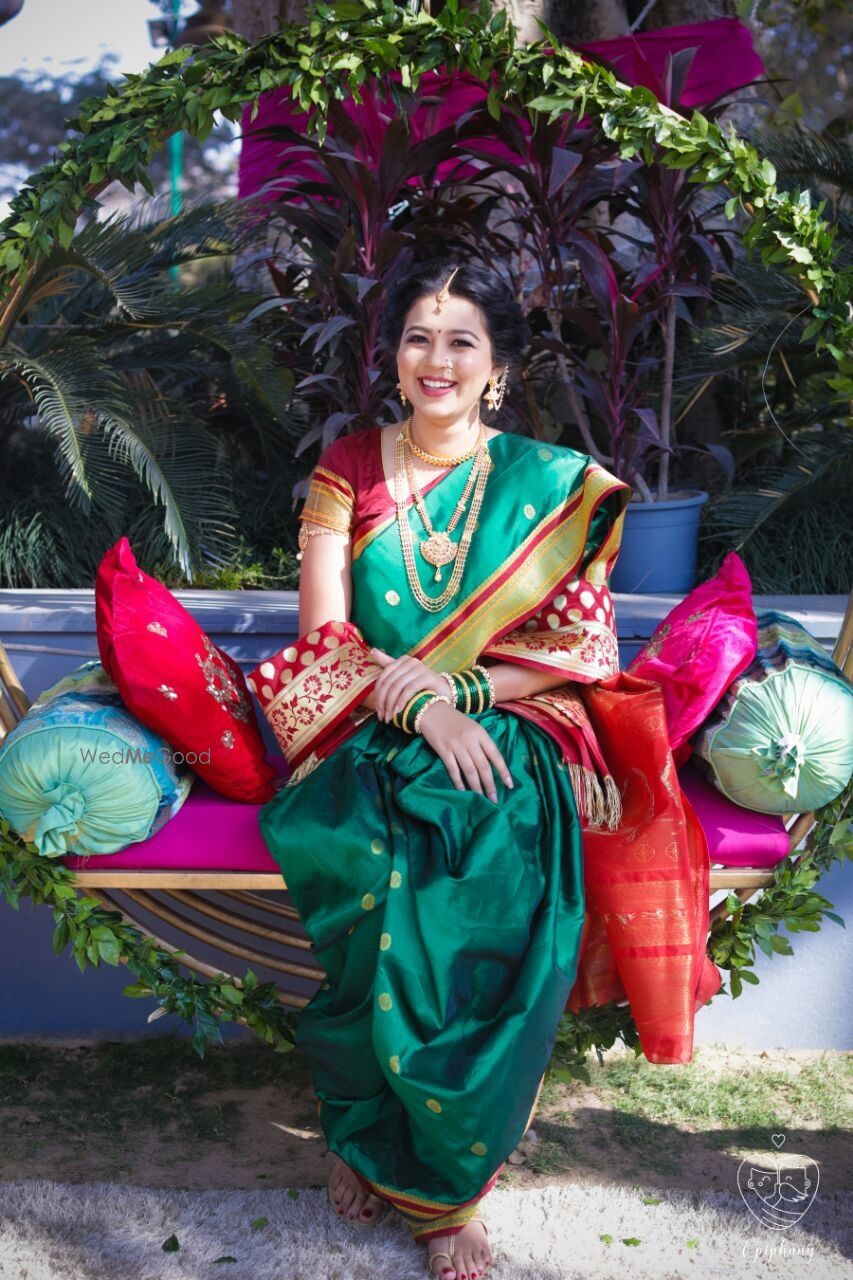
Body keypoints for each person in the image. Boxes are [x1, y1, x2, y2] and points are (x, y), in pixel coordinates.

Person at [255, 259, 720, 1280]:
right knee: (374, 846)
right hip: (365, 724)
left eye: (461, 340)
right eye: (419, 335)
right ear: (395, 355)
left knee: (487, 840)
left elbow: (577, 651)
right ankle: (364, 1128)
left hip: (503, 722)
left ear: (497, 368)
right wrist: (418, 700)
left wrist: (463, 696)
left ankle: (445, 1186)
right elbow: (324, 644)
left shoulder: (547, 485)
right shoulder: (349, 468)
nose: (437, 358)